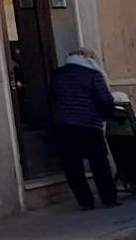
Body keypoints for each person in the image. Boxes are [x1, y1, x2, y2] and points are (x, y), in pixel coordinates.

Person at [49, 46, 119, 210]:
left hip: (63, 126)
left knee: (72, 166)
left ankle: (85, 201)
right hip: (89, 125)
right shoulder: (93, 75)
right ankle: (108, 199)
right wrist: (107, 116)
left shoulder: (58, 74)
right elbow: (105, 100)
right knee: (99, 163)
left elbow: (52, 99)